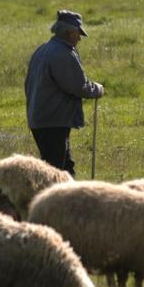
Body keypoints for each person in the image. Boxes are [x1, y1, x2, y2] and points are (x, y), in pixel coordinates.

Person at [24, 10, 104, 177]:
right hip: (53, 121)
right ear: (70, 32)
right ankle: (51, 201)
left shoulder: (42, 50)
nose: (79, 38)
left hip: (41, 119)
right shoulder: (63, 54)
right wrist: (97, 89)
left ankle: (69, 200)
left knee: (65, 168)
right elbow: (78, 86)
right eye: (78, 34)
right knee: (55, 173)